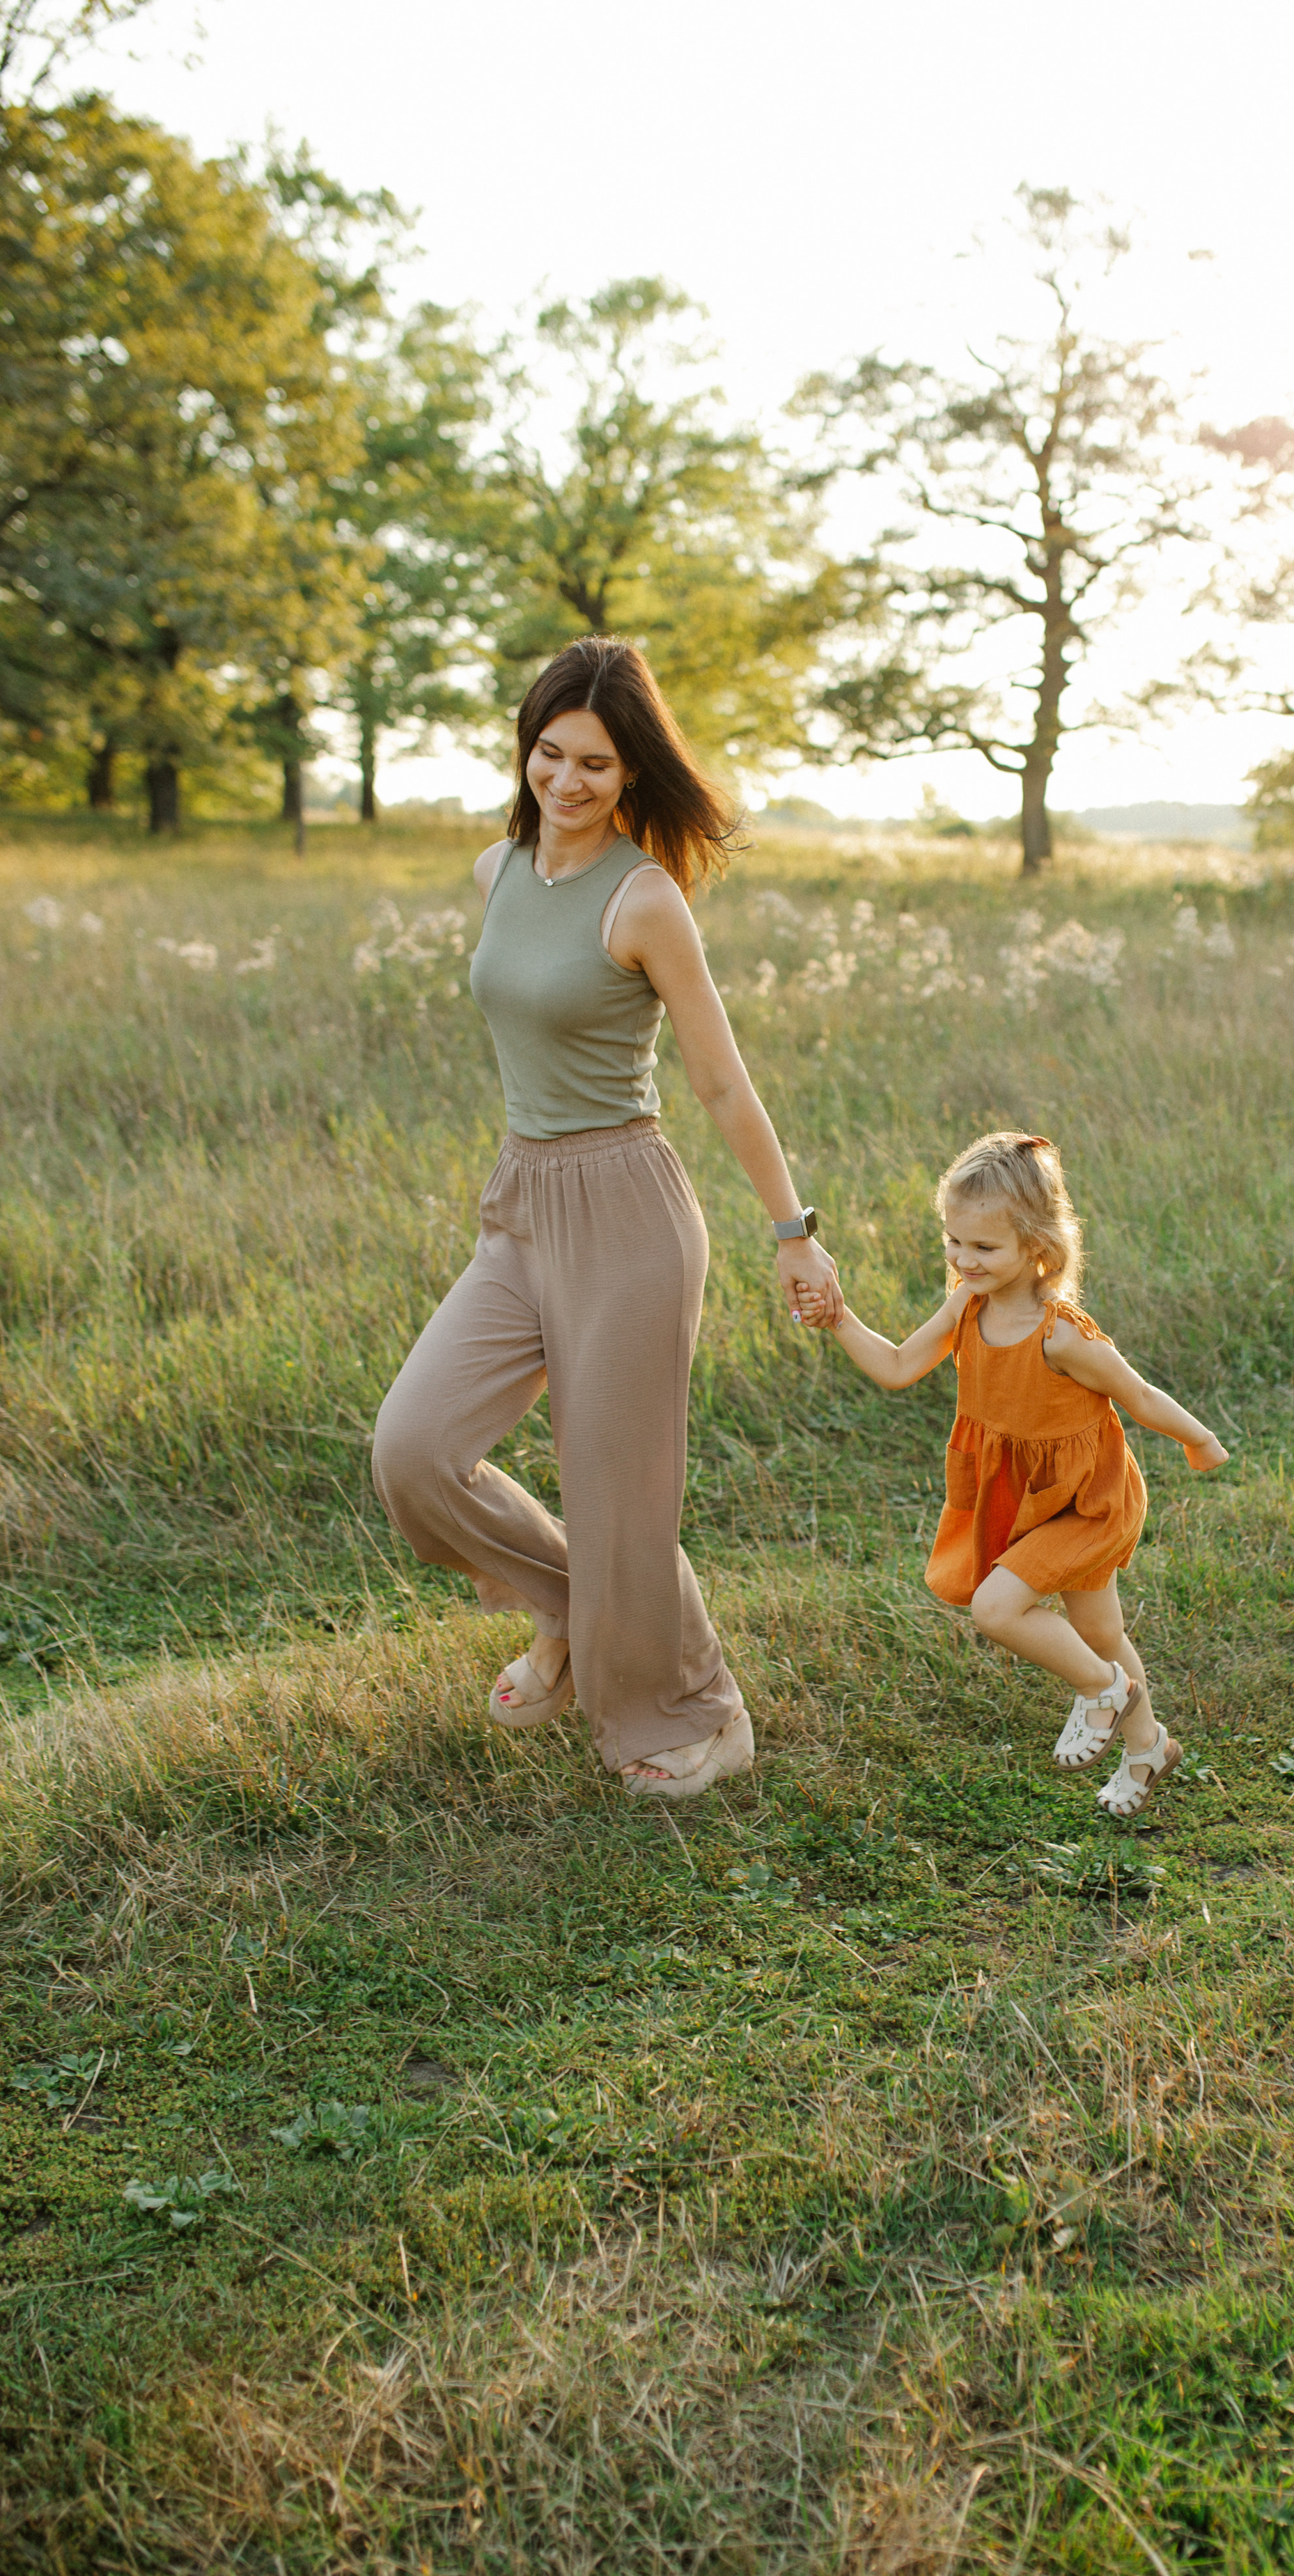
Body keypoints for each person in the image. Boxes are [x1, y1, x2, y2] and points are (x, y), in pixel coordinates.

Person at [372, 637, 841, 1799]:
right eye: (550, 753)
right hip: (521, 1202)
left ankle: (696, 1712)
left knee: (618, 1489)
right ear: (525, 751)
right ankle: (569, 1615)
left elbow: (722, 1082)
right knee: (416, 1450)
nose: (567, 782)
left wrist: (795, 1233)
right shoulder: (495, 872)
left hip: (629, 1209)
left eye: (596, 763)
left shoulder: (644, 898)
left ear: (631, 774)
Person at [809, 1132, 1226, 1815]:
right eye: (953, 1242)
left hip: (1087, 1502)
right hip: (1024, 1497)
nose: (963, 1260)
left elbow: (1140, 1395)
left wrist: (1200, 1439)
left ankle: (1103, 1690)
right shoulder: (966, 1308)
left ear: (1037, 1244)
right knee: (1099, 1634)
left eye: (983, 1248)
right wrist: (839, 1319)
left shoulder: (1061, 1335)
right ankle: (1148, 1747)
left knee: (997, 1609)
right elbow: (894, 1367)